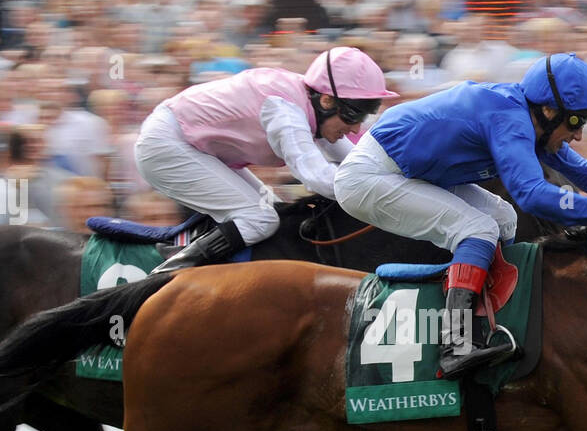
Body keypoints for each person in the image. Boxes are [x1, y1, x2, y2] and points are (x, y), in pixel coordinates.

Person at [334, 52, 587, 378]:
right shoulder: (510, 120)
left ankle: (490, 319)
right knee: (477, 228)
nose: (578, 135)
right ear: (548, 111)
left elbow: (585, 172)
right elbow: (533, 195)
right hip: (371, 176)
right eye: (576, 121)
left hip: (408, 171)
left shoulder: (528, 117)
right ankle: (455, 346)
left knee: (504, 217)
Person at [135, 47, 396, 273]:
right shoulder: (285, 112)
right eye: (353, 117)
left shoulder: (318, 106)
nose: (354, 128)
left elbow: (357, 163)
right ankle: (166, 274)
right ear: (327, 101)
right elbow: (318, 178)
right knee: (260, 219)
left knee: (276, 213)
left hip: (194, 145)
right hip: (167, 144)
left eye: (363, 118)